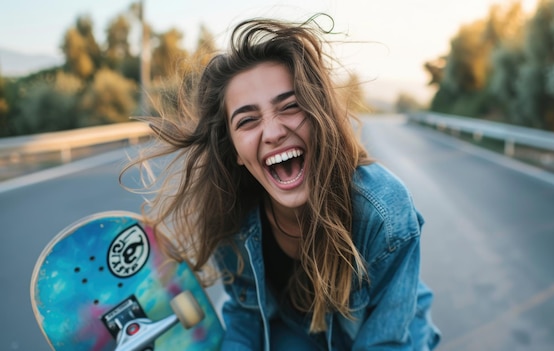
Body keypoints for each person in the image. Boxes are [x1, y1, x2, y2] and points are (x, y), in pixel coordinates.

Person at [123, 14, 440, 350]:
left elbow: (386, 341)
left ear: (320, 118)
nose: (273, 132)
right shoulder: (230, 216)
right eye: (247, 120)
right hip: (295, 330)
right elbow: (246, 315)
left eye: (290, 106)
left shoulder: (385, 212)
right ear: (234, 151)